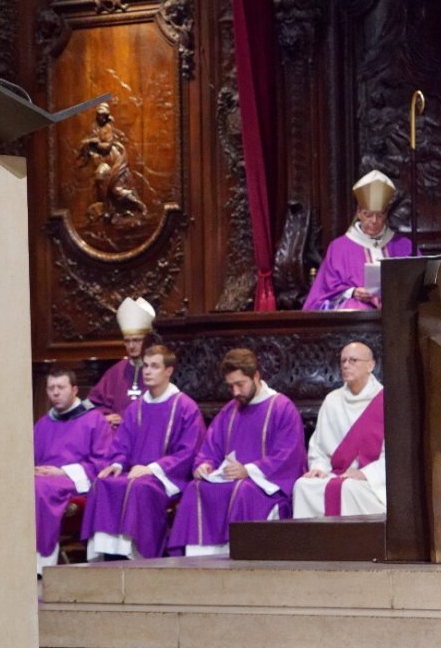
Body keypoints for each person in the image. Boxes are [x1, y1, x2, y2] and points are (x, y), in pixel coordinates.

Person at [168, 348, 306, 557]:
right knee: (195, 488)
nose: (235, 392)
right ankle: (196, 563)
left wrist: (249, 470)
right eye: (231, 386)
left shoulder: (282, 408)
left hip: (264, 486)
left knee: (241, 491)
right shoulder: (230, 410)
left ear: (256, 376)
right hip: (230, 479)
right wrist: (203, 465)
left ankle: (237, 560)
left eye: (240, 384)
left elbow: (288, 455)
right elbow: (211, 447)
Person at [81, 344, 204, 560]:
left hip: (164, 478)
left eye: (154, 366)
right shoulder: (136, 407)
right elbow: (121, 445)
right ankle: (107, 558)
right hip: (134, 473)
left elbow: (188, 452)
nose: (147, 371)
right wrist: (116, 464)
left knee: (138, 487)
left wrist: (151, 469)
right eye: (146, 366)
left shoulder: (185, 407)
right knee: (103, 483)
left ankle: (136, 556)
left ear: (169, 371)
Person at [33, 368, 114, 576]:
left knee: (38, 487)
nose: (56, 393)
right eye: (51, 388)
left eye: (61, 387)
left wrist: (62, 472)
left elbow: (102, 463)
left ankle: (40, 564)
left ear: (75, 389)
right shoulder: (43, 424)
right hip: (43, 479)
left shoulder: (94, 420)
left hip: (74, 481)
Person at [292, 341, 386, 517]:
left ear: (370, 365)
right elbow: (319, 447)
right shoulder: (332, 400)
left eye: (353, 360)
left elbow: (396, 456)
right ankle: (312, 545)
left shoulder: (386, 401)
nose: (346, 365)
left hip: (370, 480)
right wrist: (319, 467)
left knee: (349, 488)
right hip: (335, 474)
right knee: (303, 487)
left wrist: (365, 474)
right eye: (343, 361)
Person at [303, 169, 413, 311]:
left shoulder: (404, 246)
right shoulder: (339, 248)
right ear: (359, 212)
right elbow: (322, 294)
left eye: (380, 215)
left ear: (386, 213)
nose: (374, 221)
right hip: (358, 322)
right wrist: (353, 292)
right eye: (368, 215)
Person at [88, 296, 156, 426]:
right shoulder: (115, 371)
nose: (131, 346)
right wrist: (104, 418)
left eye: (136, 340)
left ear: (147, 340)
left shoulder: (157, 369)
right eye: (127, 341)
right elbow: (90, 405)